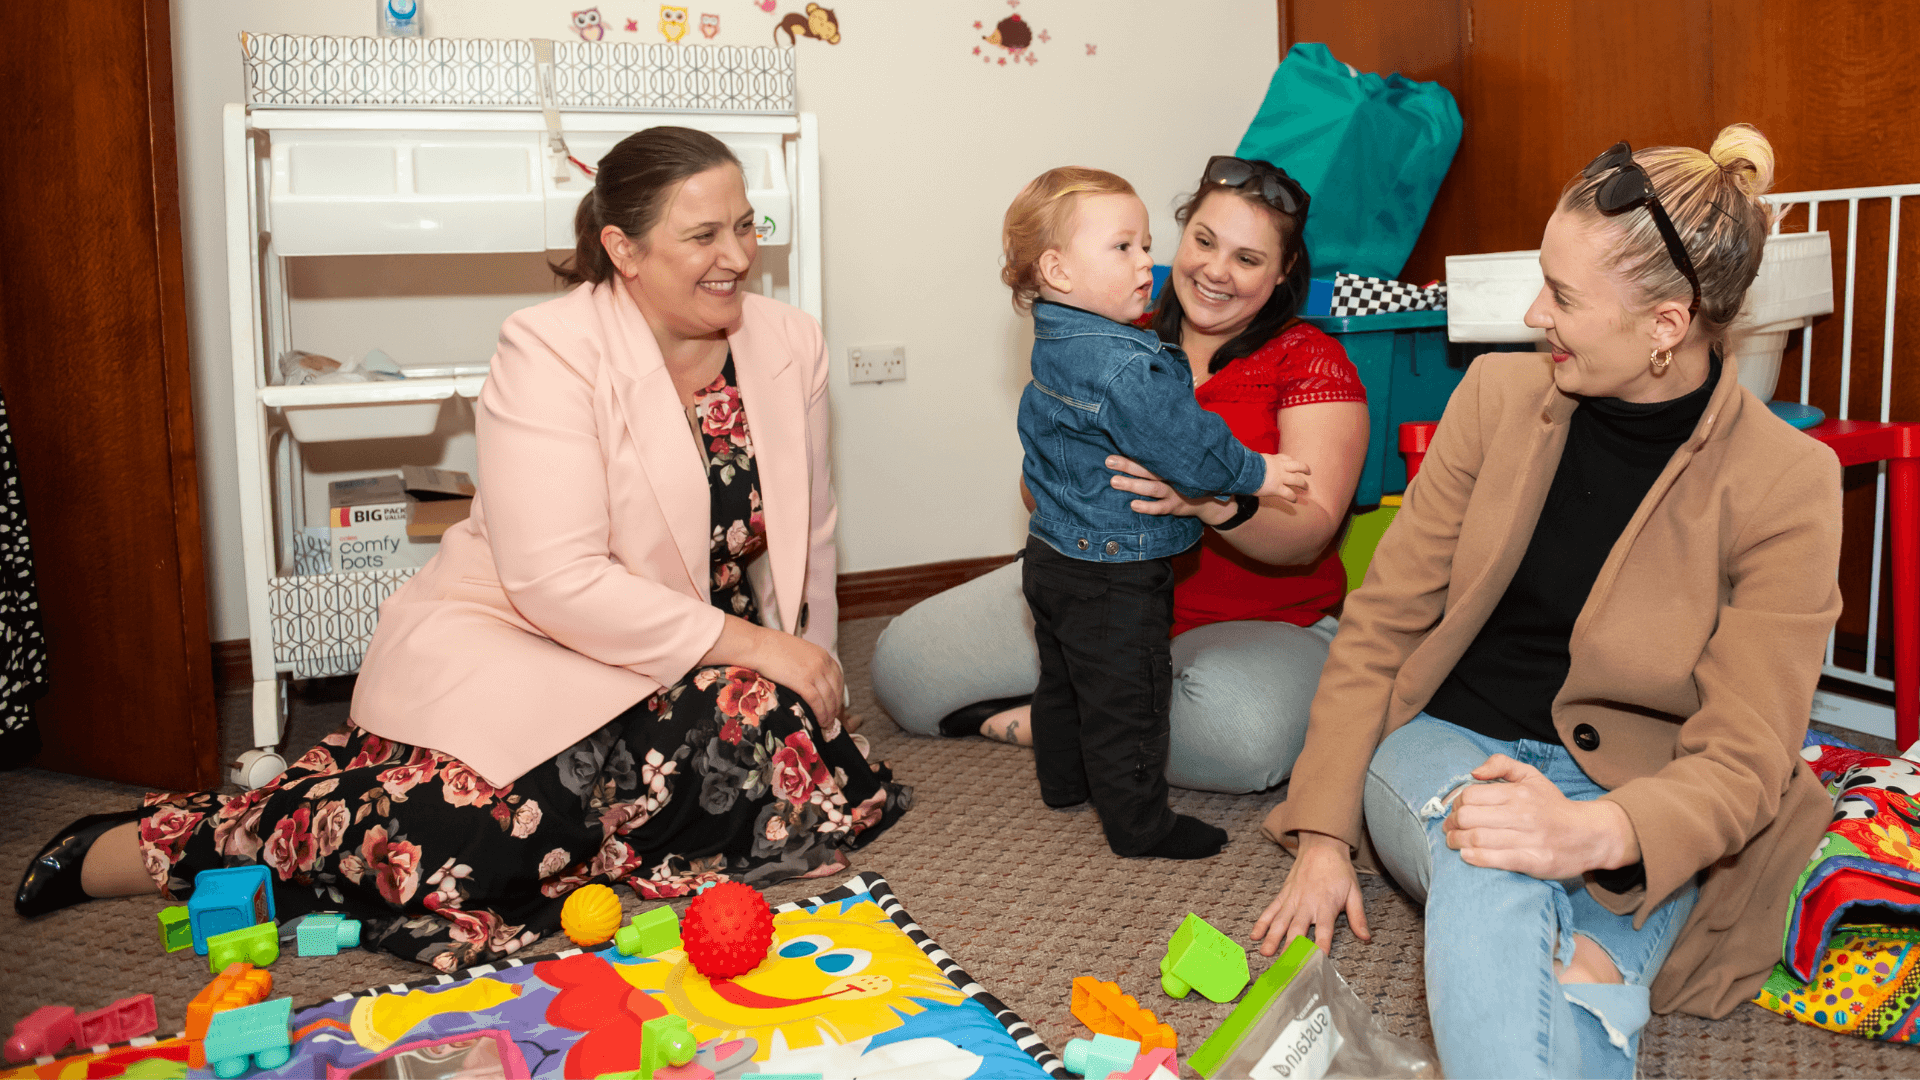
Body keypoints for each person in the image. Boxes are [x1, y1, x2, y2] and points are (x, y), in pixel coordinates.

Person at [14, 127, 910, 972]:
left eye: (746, 225)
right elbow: (557, 580)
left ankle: (606, 805)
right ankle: (173, 843)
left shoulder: (788, 343)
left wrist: (814, 666)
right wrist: (760, 647)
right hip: (536, 631)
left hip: (695, 653)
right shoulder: (549, 346)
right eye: (704, 234)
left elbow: (807, 534)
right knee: (471, 838)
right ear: (623, 249)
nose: (741, 256)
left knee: (794, 748)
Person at [1251, 125, 1842, 1078]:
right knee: (1495, 849)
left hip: (1646, 791)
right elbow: (1384, 619)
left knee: (1548, 919)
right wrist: (1324, 832)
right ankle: (1610, 949)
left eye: (1563, 296)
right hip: (1450, 743)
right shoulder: (1495, 396)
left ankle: (1600, 958)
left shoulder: (1788, 482)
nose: (1534, 312)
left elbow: (1744, 756)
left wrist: (1595, 832)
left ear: (1666, 325)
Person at [872, 155, 1369, 795]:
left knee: (1238, 739)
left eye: (1247, 259)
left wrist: (1203, 496)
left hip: (1254, 624)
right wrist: (1068, 471)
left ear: (1282, 273)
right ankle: (1092, 698)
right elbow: (1034, 492)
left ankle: (1070, 714)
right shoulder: (1107, 331)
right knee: (904, 670)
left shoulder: (1311, 361)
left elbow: (1310, 529)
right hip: (1096, 584)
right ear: (1181, 238)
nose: (1216, 270)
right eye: (1204, 241)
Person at [1000, 166, 1310, 859]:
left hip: (1050, 557)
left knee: (1063, 682)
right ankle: (1141, 827)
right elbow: (1190, 450)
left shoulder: (1059, 342)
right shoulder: (1126, 363)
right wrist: (1260, 471)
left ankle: (1062, 783)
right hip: (1115, 571)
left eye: (1146, 244)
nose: (1149, 262)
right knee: (1129, 703)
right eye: (1124, 248)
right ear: (1058, 268)